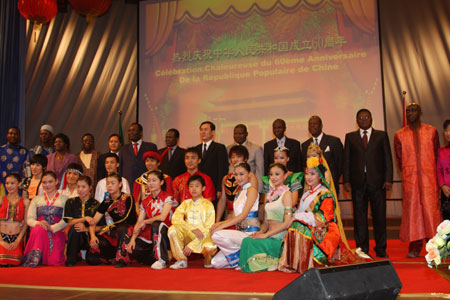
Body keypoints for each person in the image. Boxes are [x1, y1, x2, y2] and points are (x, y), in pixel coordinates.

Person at [343, 109, 393, 258]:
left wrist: (388, 179)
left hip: (377, 182)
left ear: (371, 118)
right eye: (360, 118)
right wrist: (346, 180)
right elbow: (347, 161)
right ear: (356, 120)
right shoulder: (350, 137)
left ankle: (380, 247)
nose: (363, 119)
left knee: (379, 216)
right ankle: (362, 248)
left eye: (366, 117)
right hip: (357, 183)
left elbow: (388, 159)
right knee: (359, 217)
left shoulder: (381, 135)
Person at [394, 103, 442, 258]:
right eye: (408, 111)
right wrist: (411, 174)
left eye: (414, 110)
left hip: (430, 181)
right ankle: (414, 246)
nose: (411, 113)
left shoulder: (431, 131)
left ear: (420, 112)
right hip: (411, 181)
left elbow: (437, 156)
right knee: (413, 215)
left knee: (430, 213)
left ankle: (433, 247)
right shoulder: (400, 135)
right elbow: (400, 160)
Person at [279, 157, 340, 273]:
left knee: (298, 226)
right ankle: (295, 262)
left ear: (320, 176)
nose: (309, 177)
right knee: (295, 225)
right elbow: (301, 211)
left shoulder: (325, 194)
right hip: (310, 224)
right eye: (306, 174)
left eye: (313, 174)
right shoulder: (307, 193)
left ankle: (308, 263)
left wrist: (297, 217)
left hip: (323, 228)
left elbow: (323, 218)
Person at [238, 163, 292, 272]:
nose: (273, 177)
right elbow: (266, 223)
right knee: (247, 240)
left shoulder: (286, 194)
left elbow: (287, 223)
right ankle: (262, 262)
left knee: (254, 242)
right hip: (268, 235)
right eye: (271, 174)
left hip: (280, 238)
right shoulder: (269, 194)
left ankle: (273, 260)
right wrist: (260, 232)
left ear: (285, 176)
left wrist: (266, 235)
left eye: (277, 174)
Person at [210, 162, 260, 268]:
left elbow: (243, 215)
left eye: (241, 174)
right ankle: (242, 257)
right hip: (240, 234)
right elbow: (233, 216)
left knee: (216, 234)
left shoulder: (252, 190)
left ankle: (242, 259)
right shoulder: (239, 194)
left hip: (250, 235)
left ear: (249, 174)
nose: (238, 178)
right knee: (215, 263)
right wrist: (219, 224)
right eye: (236, 175)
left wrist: (220, 227)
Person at [126, 170, 177, 269]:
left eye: (154, 180)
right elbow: (139, 221)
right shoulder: (145, 201)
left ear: (161, 182)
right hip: (151, 233)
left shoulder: (168, 197)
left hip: (166, 231)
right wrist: (133, 239)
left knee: (157, 224)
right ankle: (158, 257)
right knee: (135, 248)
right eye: (149, 181)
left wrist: (146, 221)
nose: (151, 183)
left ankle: (162, 260)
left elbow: (162, 217)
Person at [168, 175, 217, 269]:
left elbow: (209, 228)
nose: (194, 189)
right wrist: (192, 228)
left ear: (203, 188)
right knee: (172, 229)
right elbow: (175, 219)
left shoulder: (208, 205)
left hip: (203, 236)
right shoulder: (185, 203)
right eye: (191, 186)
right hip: (188, 234)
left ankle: (207, 258)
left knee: (210, 247)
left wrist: (192, 245)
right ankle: (181, 260)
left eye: (197, 186)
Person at [89, 173, 137, 267]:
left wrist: (110, 227)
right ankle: (110, 256)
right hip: (114, 230)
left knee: (123, 228)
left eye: (112, 183)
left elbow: (128, 218)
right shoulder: (106, 201)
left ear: (120, 184)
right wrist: (92, 236)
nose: (109, 186)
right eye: (108, 183)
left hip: (129, 229)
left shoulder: (128, 198)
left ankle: (122, 258)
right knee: (93, 253)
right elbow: (94, 220)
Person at [23, 171, 68, 267]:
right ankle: (34, 258)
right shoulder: (36, 199)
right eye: (44, 182)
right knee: (39, 229)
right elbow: (29, 219)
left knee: (55, 262)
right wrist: (38, 223)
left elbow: (66, 219)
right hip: (39, 230)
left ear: (56, 181)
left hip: (56, 232)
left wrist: (52, 227)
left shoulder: (65, 199)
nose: (47, 185)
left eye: (50, 182)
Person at [63, 176, 101, 266]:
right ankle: (71, 259)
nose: (80, 189)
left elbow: (101, 227)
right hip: (76, 236)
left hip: (91, 236)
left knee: (93, 261)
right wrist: (84, 218)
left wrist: (86, 229)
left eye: (83, 187)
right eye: (78, 186)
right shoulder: (71, 202)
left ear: (90, 187)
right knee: (74, 229)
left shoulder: (96, 204)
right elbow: (70, 222)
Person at [302, 116, 344, 195]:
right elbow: (305, 165)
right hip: (312, 187)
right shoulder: (305, 145)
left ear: (321, 125)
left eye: (315, 124)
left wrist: (332, 178)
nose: (312, 126)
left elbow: (340, 163)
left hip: (330, 185)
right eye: (310, 124)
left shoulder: (334, 141)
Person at [216, 145, 258, 222]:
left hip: (246, 218)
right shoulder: (226, 178)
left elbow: (252, 199)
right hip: (229, 217)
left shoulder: (251, 176)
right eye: (233, 157)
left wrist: (234, 216)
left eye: (238, 156)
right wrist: (217, 222)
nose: (235, 159)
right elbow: (222, 200)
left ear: (245, 159)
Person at [0, 173, 29, 266]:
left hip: (16, 238)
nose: (9, 186)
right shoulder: (1, 200)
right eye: (7, 183)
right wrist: (1, 241)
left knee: (15, 262)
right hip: (1, 237)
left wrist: (18, 240)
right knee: (2, 261)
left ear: (19, 184)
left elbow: (25, 223)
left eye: (12, 183)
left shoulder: (25, 202)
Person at [196, 121, 228, 202]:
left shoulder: (219, 147)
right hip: (198, 188)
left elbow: (222, 169)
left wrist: (220, 188)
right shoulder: (196, 149)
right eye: (201, 130)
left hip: (214, 187)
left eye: (206, 129)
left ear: (213, 132)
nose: (203, 132)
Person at [227, 124, 264, 193]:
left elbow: (260, 172)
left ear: (246, 134)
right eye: (235, 134)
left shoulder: (256, 149)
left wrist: (258, 191)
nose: (238, 136)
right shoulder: (228, 148)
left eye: (240, 133)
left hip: (249, 187)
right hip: (231, 187)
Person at [119, 123, 157, 188]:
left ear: (141, 132)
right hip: (128, 185)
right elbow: (120, 169)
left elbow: (156, 166)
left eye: (133, 130)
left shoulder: (151, 147)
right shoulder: (123, 149)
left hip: (146, 183)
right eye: (129, 131)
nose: (131, 132)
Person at [437, 119, 450, 220]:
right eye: (446, 130)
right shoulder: (441, 151)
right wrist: (442, 186)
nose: (448, 133)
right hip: (446, 192)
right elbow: (439, 170)